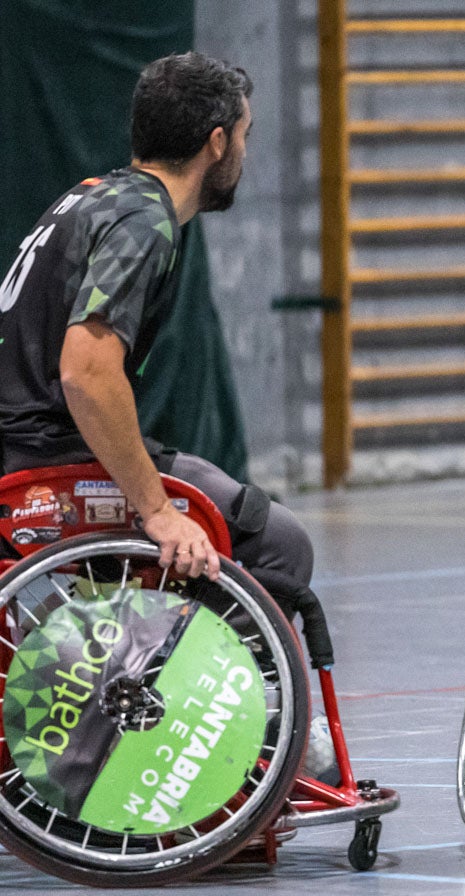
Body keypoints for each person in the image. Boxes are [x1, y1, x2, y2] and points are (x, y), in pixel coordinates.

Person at [0, 51, 313, 613]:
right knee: (277, 543)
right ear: (217, 142)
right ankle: (181, 695)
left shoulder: (96, 195)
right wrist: (157, 511)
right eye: (245, 135)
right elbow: (86, 374)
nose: (244, 152)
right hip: (43, 462)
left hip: (23, 444)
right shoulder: (145, 222)